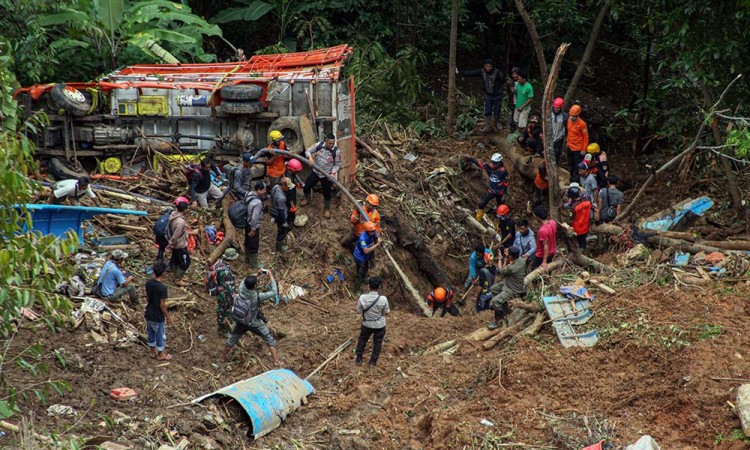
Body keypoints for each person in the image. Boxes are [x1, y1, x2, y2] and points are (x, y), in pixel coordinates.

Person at [221, 271, 282, 367]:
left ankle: (222, 358)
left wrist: (256, 274)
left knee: (232, 339)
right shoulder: (257, 297)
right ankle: (276, 361)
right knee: (269, 338)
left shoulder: (241, 289)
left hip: (240, 321)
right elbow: (274, 292)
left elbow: (245, 280)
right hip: (253, 323)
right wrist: (270, 276)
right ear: (255, 285)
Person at [457, 58, 505, 132]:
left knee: (497, 110)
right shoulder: (482, 71)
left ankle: (497, 123)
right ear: (484, 66)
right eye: (487, 66)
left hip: (497, 95)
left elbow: (503, 81)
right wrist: (459, 72)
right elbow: (471, 73)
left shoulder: (497, 73)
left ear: (492, 66)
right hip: (488, 95)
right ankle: (487, 124)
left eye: (490, 66)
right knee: (488, 110)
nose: (488, 68)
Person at [301, 134, 340, 219]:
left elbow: (337, 165)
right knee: (306, 186)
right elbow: (307, 151)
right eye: (330, 143)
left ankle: (326, 209)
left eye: (333, 143)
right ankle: (307, 198)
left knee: (327, 193)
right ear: (325, 141)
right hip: (316, 172)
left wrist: (332, 173)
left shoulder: (336, 151)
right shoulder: (318, 145)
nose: (331, 145)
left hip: (326, 175)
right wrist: (310, 158)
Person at [487, 246, 527, 329]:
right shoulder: (521, 261)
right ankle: (504, 307)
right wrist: (507, 257)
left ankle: (499, 321)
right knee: (493, 289)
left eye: (508, 254)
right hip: (509, 282)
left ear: (511, 256)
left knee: (495, 301)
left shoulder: (512, 268)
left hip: (513, 288)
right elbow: (511, 262)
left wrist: (500, 258)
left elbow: (500, 270)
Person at [355, 276, 390, 367]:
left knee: (362, 340)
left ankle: (359, 359)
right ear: (379, 287)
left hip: (367, 324)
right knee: (377, 343)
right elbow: (386, 312)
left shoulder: (362, 298)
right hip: (380, 325)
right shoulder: (383, 299)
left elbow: (358, 311)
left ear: (368, 286)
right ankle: (372, 362)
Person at [466, 153, 509, 221]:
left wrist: (505, 194)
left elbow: (505, 183)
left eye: (495, 163)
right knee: (482, 203)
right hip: (491, 191)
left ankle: (501, 223)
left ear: (500, 163)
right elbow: (480, 164)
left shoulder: (503, 171)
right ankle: (478, 219)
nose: (493, 164)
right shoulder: (489, 166)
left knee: (501, 209)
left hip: (500, 192)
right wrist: (471, 159)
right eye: (493, 162)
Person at [166, 197, 198, 287]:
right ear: (185, 210)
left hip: (176, 245)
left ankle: (177, 275)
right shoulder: (180, 222)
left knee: (176, 260)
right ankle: (178, 279)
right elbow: (176, 235)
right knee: (185, 263)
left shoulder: (173, 215)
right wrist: (170, 245)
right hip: (179, 245)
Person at [145, 262, 172, 361]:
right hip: (158, 315)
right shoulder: (162, 288)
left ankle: (152, 352)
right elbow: (162, 304)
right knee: (160, 334)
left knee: (151, 333)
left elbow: (148, 297)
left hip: (149, 312)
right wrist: (168, 317)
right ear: (164, 273)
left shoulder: (149, 283)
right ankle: (160, 354)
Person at [244, 181, 267, 269]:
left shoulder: (248, 194)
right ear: (258, 190)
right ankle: (254, 263)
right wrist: (253, 229)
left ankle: (247, 258)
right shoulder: (258, 203)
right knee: (254, 244)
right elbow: (255, 217)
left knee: (247, 240)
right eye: (263, 190)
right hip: (252, 225)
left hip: (246, 221)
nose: (265, 191)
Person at [529, 205, 556, 272]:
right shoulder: (553, 222)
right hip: (552, 253)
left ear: (538, 217)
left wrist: (544, 261)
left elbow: (545, 246)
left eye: (534, 216)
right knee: (548, 271)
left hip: (541, 255)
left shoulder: (542, 231)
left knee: (534, 271)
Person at [566, 104, 589, 182]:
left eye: (573, 116)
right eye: (571, 115)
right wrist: (568, 142)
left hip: (578, 149)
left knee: (577, 166)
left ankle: (574, 181)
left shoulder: (582, 124)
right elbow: (569, 132)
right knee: (570, 164)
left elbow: (586, 138)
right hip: (570, 147)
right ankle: (571, 178)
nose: (572, 117)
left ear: (578, 115)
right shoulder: (569, 120)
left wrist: (584, 149)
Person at [566, 186, 592, 251]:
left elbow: (571, 219)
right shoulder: (587, 202)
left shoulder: (573, 207)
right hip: (585, 226)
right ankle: (582, 251)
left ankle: (575, 253)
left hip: (576, 229)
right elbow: (595, 209)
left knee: (572, 240)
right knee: (582, 241)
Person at [269, 178, 291, 252]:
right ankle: (280, 247)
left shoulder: (276, 187)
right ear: (284, 185)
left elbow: (271, 198)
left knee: (280, 228)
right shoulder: (281, 198)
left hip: (273, 210)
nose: (289, 188)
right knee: (281, 231)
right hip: (279, 214)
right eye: (288, 187)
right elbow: (281, 211)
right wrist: (284, 221)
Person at [514, 69, 534, 134]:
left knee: (522, 124)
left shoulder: (529, 87)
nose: (518, 81)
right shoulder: (518, 84)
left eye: (520, 79)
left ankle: (523, 136)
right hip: (517, 106)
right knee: (516, 121)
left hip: (524, 108)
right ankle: (518, 134)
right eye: (518, 79)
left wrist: (522, 107)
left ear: (524, 79)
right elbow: (517, 93)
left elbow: (530, 99)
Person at [550, 97, 568, 163]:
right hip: (550, 136)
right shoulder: (549, 114)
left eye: (557, 108)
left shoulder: (564, 116)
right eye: (555, 107)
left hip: (559, 137)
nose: (556, 109)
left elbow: (567, 127)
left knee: (556, 152)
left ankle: (555, 164)